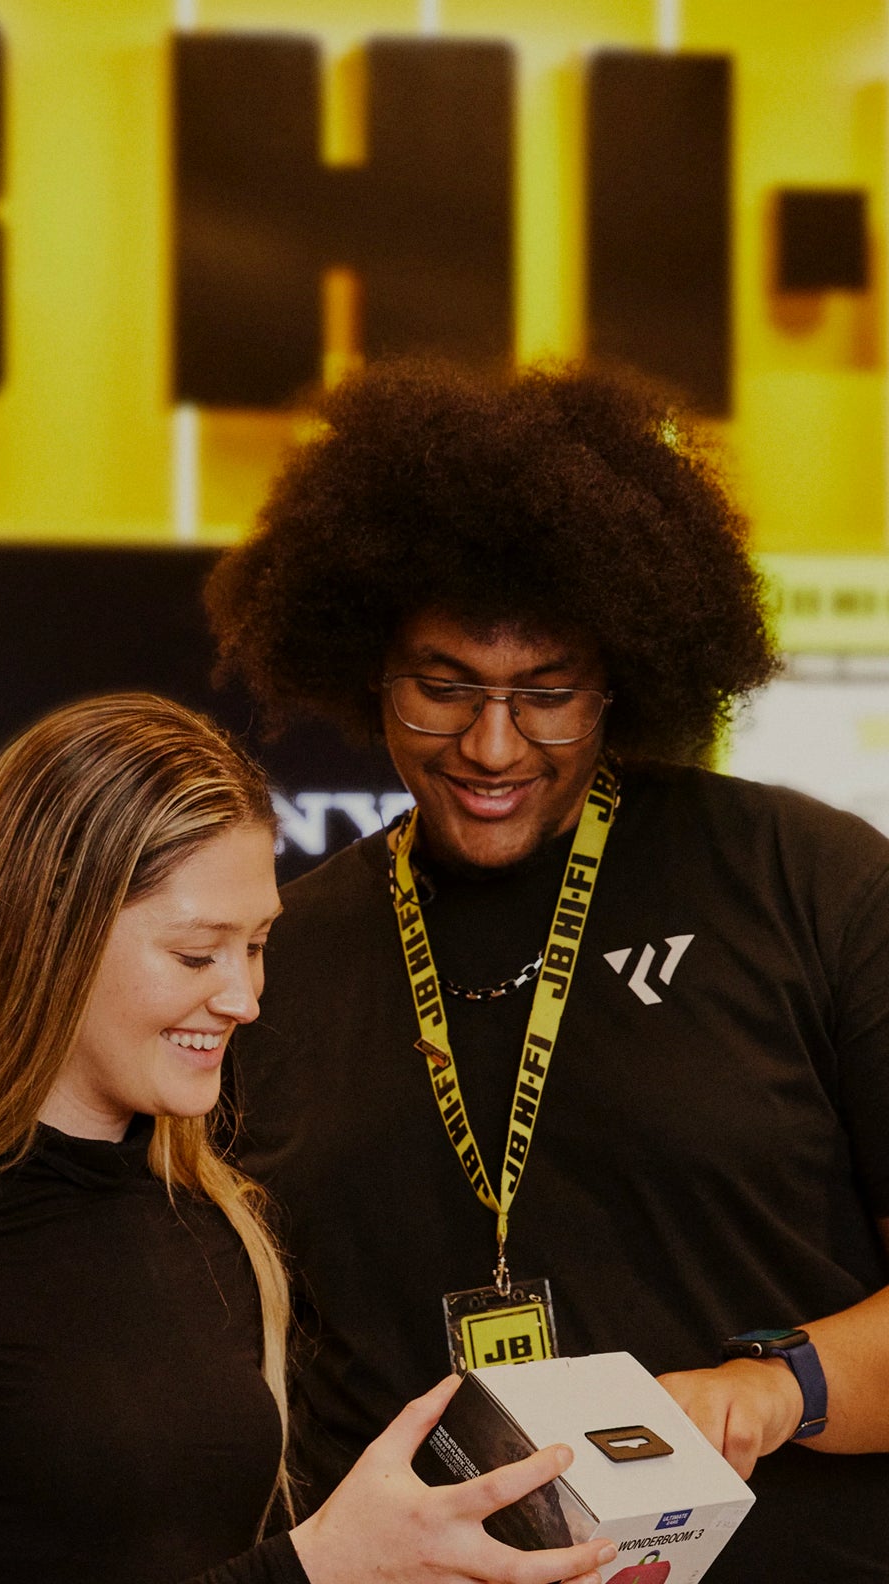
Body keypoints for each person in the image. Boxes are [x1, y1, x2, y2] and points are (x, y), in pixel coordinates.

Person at [207, 362, 889, 1583]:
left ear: (623, 676)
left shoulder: (812, 883)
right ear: (369, 668)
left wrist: (774, 1387)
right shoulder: (275, 956)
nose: (492, 746)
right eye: (444, 686)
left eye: (548, 695)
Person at [0, 692, 616, 1584]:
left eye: (257, 945)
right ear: (51, 931)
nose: (245, 997)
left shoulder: (217, 1224)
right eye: (195, 953)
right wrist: (314, 1570)